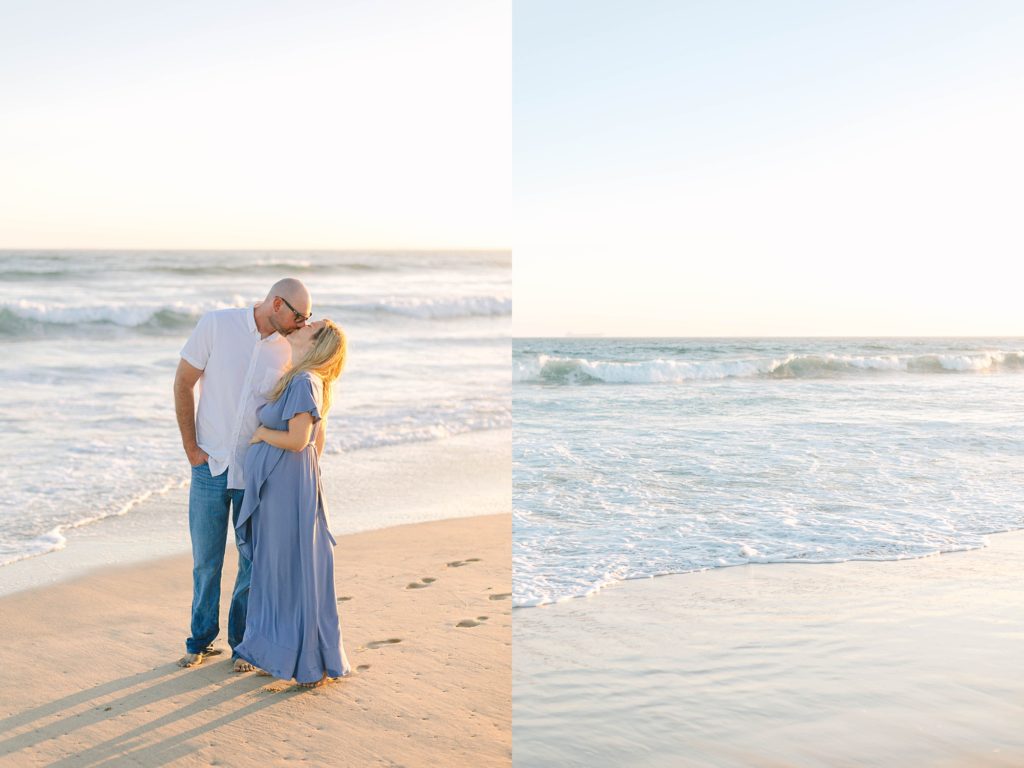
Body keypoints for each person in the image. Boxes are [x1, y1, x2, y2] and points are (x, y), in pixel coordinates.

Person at [174, 278, 312, 670]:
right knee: (207, 561)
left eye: (307, 317)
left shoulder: (291, 349)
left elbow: (306, 399)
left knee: (251, 564)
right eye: (299, 315)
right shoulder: (217, 325)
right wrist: (191, 448)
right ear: (276, 304)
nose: (302, 323)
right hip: (209, 467)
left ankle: (243, 646)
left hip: (257, 473)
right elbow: (183, 383)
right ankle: (199, 640)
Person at [232, 318, 351, 688]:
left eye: (310, 326)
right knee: (284, 571)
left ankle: (296, 658)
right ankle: (285, 654)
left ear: (317, 343)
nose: (303, 324)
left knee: (283, 571)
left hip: (286, 489)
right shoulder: (304, 380)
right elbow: (318, 444)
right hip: (287, 487)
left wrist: (263, 435)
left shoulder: (303, 381)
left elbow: (301, 440)